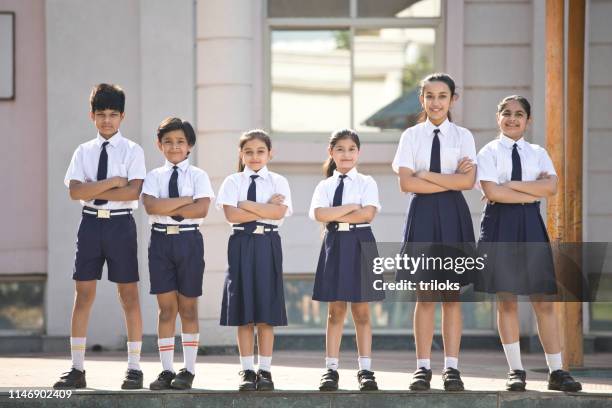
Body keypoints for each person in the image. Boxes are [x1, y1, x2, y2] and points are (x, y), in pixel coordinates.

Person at [475, 95, 582, 392]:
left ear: (528, 120)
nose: (512, 118)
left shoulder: (537, 152)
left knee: (543, 300)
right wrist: (525, 188)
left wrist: (507, 185)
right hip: (499, 225)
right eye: (506, 113)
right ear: (498, 117)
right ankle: (516, 371)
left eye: (519, 114)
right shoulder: (488, 152)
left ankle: (557, 371)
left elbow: (551, 187)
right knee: (506, 299)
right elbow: (493, 195)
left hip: (531, 224)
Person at [55, 84, 146, 389]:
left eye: (112, 115)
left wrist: (96, 186)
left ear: (122, 116)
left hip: (121, 224)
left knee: (129, 295)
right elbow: (75, 191)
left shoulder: (133, 150)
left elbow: (133, 190)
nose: (107, 120)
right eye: (101, 115)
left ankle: (134, 368)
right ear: (91, 116)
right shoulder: (84, 151)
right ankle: (77, 368)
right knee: (83, 293)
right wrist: (112, 182)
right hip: (91, 224)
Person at [391, 73, 476, 391]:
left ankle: (452, 368)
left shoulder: (463, 136)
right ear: (422, 99)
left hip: (454, 214)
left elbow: (467, 183)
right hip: (423, 215)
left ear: (453, 99)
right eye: (430, 96)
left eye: (443, 96)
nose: (436, 102)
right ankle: (423, 367)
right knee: (425, 294)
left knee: (452, 296)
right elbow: (406, 183)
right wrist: (446, 178)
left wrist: (426, 174)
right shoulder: (411, 136)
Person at [216, 130, 292, 391]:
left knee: (266, 312)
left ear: (270, 153)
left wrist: (245, 204)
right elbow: (231, 216)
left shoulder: (279, 181)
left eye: (260, 151)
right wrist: (263, 208)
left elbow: (278, 212)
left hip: (268, 243)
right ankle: (247, 369)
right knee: (244, 310)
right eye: (248, 151)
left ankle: (266, 370)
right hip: (241, 244)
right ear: (241, 154)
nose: (255, 156)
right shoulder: (232, 181)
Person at [142, 117, 214, 390]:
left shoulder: (198, 176)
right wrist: (185, 201)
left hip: (189, 242)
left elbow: (202, 210)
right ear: (159, 145)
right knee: (165, 310)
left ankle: (189, 369)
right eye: (168, 142)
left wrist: (167, 206)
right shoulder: (153, 176)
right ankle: (166, 370)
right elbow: (150, 207)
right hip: (160, 243)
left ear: (189, 146)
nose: (174, 147)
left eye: (180, 142)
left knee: (188, 307)